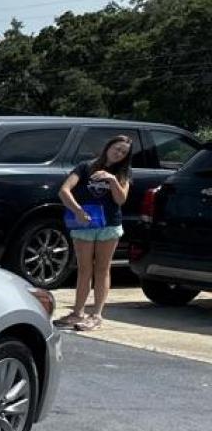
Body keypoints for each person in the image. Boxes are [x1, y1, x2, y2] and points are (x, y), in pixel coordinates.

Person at [56, 135, 132, 332]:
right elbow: (64, 190)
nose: (119, 154)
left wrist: (112, 180)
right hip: (84, 224)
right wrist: (77, 211)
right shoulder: (85, 167)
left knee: (102, 268)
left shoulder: (122, 172)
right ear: (108, 147)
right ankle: (77, 312)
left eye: (123, 152)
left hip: (108, 225)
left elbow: (121, 199)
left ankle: (96, 314)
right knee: (84, 269)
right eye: (117, 149)